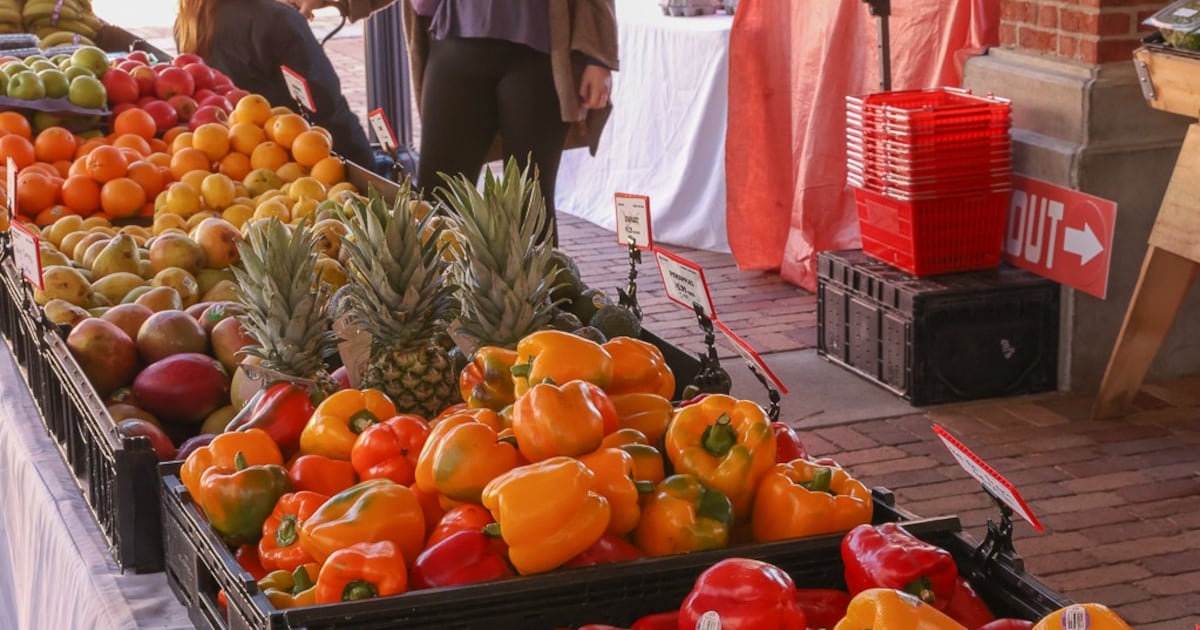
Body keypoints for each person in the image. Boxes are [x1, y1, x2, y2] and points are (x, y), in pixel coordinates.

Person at [292, 0, 618, 246]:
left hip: (538, 55)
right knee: (437, 196)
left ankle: (547, 321)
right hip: (455, 47)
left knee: (531, 202)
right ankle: (440, 319)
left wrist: (598, 57)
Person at [174, 0, 377, 170]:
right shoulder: (278, 21)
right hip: (316, 164)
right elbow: (326, 104)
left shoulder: (188, 22)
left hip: (240, 164)